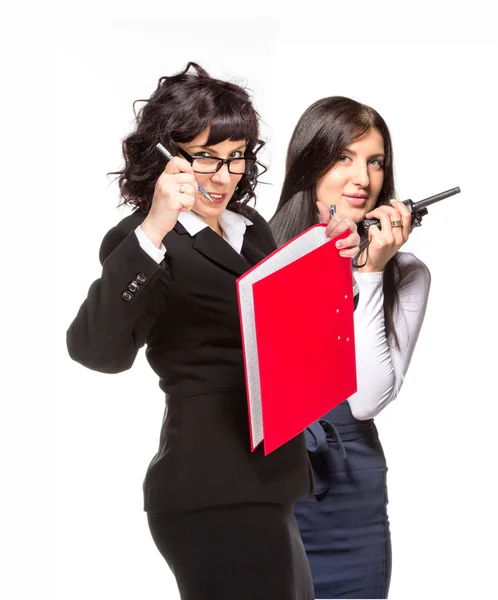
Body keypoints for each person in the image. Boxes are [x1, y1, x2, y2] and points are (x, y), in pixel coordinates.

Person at [66, 64, 361, 600]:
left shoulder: (250, 227)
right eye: (205, 157)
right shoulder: (144, 241)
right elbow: (96, 350)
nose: (224, 177)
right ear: (166, 156)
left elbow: (289, 331)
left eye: (236, 157)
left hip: (271, 481)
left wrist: (329, 259)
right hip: (210, 489)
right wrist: (154, 225)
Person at [269, 96, 431, 599]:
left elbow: (366, 400)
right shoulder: (258, 254)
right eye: (344, 157)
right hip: (267, 490)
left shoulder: (406, 274)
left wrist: (371, 273)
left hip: (350, 498)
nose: (362, 177)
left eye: (375, 161)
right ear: (310, 162)